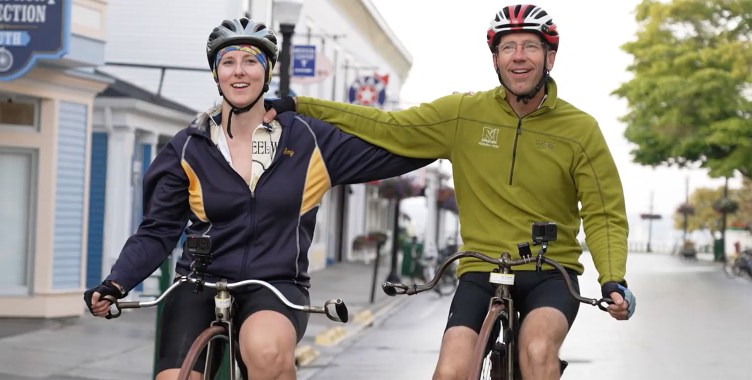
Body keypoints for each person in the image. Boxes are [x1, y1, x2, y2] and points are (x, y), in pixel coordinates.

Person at [264, 4, 636, 379]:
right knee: (450, 371)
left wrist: (612, 279)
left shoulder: (580, 130)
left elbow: (604, 213)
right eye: (508, 47)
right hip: (481, 266)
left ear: (550, 57)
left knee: (538, 352)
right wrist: (300, 104)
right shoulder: (464, 114)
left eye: (530, 46)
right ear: (495, 59)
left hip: (550, 271)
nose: (519, 56)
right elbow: (387, 125)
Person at [83, 17, 431, 380]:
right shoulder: (188, 147)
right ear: (216, 74)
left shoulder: (309, 140)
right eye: (228, 62)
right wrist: (116, 282)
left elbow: (398, 147)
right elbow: (157, 231)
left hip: (276, 284)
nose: (239, 72)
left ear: (267, 71)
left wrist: (448, 140)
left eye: (251, 61)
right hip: (199, 282)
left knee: (265, 354)